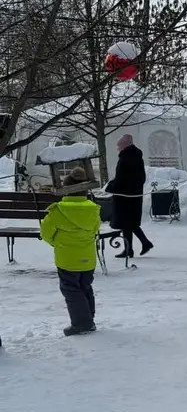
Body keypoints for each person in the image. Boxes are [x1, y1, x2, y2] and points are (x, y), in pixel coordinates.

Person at [40, 168, 101, 336]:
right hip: (88, 259)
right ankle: (89, 319)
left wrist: (57, 243)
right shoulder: (93, 209)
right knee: (85, 287)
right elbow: (95, 229)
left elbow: (45, 233)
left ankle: (82, 323)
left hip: (66, 259)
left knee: (71, 290)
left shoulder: (57, 211)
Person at [105, 134, 153, 258]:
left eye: (119, 146)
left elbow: (121, 178)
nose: (117, 149)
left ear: (124, 146)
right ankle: (135, 247)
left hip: (124, 196)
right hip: (134, 195)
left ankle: (135, 247)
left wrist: (111, 187)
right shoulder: (137, 157)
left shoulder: (125, 158)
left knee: (126, 223)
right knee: (129, 223)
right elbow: (141, 178)